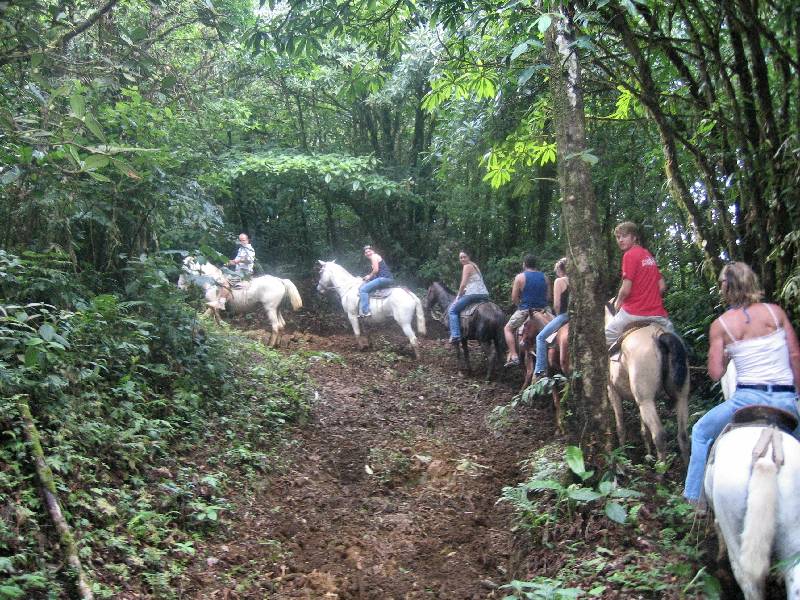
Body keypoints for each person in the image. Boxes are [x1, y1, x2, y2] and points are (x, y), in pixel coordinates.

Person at [683, 261, 800, 506]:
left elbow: (715, 373)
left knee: (700, 432)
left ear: (727, 288)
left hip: (745, 401)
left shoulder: (721, 325)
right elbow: (795, 356)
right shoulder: (775, 313)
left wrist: (725, 356)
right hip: (785, 400)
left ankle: (694, 498)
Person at [605, 222, 673, 351]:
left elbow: (625, 289)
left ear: (634, 237)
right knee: (677, 345)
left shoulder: (629, 255)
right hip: (658, 316)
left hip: (633, 313)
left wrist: (618, 303)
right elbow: (662, 286)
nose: (620, 240)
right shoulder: (648, 256)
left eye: (624, 236)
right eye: (618, 237)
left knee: (603, 338)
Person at [503, 254, 551, 367]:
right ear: (536, 265)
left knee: (507, 329)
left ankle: (514, 356)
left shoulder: (520, 277)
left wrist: (519, 305)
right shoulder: (545, 277)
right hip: (544, 310)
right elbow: (549, 297)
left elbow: (514, 298)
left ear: (524, 264)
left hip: (526, 310)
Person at [533, 257, 569, 378]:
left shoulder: (559, 281)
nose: (556, 274)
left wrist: (558, 315)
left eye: (557, 271)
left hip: (565, 315)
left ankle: (540, 370)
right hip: (578, 315)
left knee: (540, 337)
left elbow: (557, 304)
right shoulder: (578, 280)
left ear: (560, 269)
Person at [448, 250, 490, 343]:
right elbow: (474, 282)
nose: (462, 259)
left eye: (464, 257)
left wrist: (458, 296)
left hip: (473, 294)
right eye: (461, 257)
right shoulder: (475, 266)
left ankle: (455, 335)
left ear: (468, 257)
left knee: (452, 310)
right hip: (484, 294)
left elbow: (463, 284)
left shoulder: (466, 266)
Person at [358, 245, 394, 318]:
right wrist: (368, 277)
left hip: (383, 279)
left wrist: (369, 276)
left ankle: (366, 312)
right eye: (366, 252)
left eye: (369, 251)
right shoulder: (376, 257)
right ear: (365, 254)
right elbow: (376, 273)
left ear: (373, 251)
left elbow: (376, 270)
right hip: (386, 279)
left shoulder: (374, 256)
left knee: (363, 290)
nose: (368, 253)